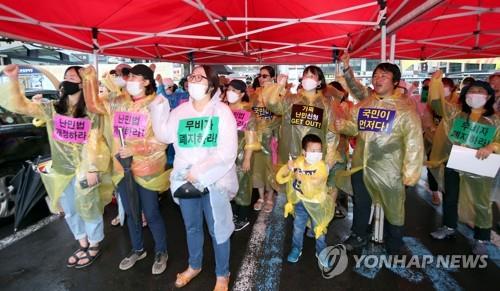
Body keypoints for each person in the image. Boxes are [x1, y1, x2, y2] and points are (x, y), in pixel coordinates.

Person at [0, 64, 113, 268]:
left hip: (85, 169)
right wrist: (14, 80)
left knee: (90, 207)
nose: (68, 80)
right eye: (66, 76)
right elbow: (21, 106)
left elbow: (97, 140)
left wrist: (93, 168)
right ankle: (82, 242)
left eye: (74, 76)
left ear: (83, 82)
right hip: (62, 170)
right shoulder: (52, 108)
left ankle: (95, 244)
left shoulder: (92, 110)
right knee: (70, 209)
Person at [150, 65, 237, 291]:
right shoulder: (180, 112)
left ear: (211, 84)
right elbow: (164, 135)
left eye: (201, 77)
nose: (195, 80)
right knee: (192, 227)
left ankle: (222, 273)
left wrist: (200, 170)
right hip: (185, 180)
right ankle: (194, 265)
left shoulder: (222, 112)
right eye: (192, 76)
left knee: (218, 227)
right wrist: (158, 108)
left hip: (214, 180)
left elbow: (227, 152)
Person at [82, 64, 170, 275]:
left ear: (147, 82)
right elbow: (93, 106)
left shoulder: (158, 102)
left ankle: (161, 251)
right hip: (122, 169)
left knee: (151, 212)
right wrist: (89, 80)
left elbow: (163, 140)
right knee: (131, 213)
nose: (129, 80)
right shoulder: (119, 101)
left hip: (147, 169)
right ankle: (137, 249)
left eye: (135, 77)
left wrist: (135, 148)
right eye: (128, 76)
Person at [338, 53, 424, 254]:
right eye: (375, 75)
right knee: (361, 203)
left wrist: (410, 174)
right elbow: (355, 129)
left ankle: (395, 241)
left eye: (383, 76)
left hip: (390, 170)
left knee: (393, 207)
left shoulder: (404, 110)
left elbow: (414, 143)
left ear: (395, 82)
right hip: (362, 165)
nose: (377, 79)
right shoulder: (365, 104)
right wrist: (345, 126)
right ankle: (358, 234)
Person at [427, 73, 499, 255]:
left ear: (489, 97)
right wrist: (435, 82)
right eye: (471, 91)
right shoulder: (456, 113)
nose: (475, 95)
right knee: (450, 197)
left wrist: (492, 146)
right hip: (455, 162)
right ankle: (449, 226)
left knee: (481, 203)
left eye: (480, 91)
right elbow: (437, 104)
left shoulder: (496, 120)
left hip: (480, 166)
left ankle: (481, 238)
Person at [276, 134, 334, 268]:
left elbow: (314, 182)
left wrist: (298, 174)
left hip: (316, 204)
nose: (317, 154)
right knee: (298, 228)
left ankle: (321, 252)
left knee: (319, 230)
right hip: (301, 203)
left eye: (319, 151)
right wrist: (289, 166)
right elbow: (283, 175)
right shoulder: (299, 162)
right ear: (304, 152)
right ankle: (296, 248)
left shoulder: (321, 167)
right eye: (313, 151)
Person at [226, 79, 261, 231]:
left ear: (241, 94)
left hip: (242, 155)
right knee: (228, 185)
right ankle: (233, 214)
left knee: (243, 184)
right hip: (225, 156)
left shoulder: (248, 113)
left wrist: (247, 158)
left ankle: (243, 217)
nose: (230, 93)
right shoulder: (223, 109)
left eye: (234, 90)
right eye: (229, 89)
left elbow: (252, 139)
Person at [250, 66, 281, 213]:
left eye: (265, 76)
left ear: (272, 77)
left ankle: (269, 197)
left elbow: (281, 117)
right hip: (256, 139)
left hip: (272, 139)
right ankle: (261, 197)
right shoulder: (255, 95)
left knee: (271, 169)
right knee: (258, 169)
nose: (261, 78)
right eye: (260, 76)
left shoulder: (278, 93)